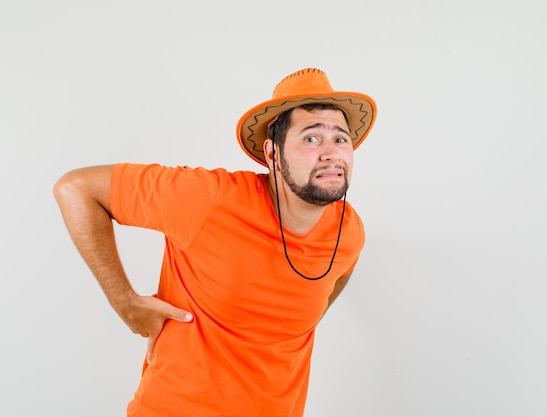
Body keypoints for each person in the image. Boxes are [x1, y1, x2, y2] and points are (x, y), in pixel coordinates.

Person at [53, 67, 377, 417]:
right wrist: (124, 302)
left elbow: (336, 276)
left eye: (341, 139)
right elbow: (76, 189)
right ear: (273, 154)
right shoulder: (209, 199)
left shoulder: (349, 230)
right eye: (311, 138)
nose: (331, 152)